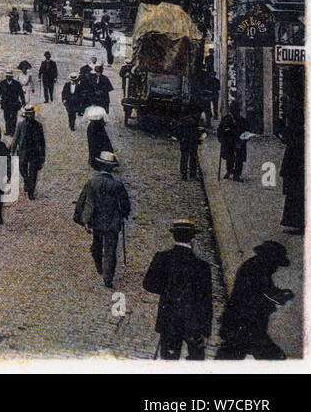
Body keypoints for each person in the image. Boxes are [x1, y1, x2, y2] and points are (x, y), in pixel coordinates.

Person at [142, 220, 213, 360]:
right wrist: (206, 332)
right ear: (193, 239)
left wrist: (167, 289)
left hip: (169, 320)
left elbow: (148, 284)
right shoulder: (202, 266)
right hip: (194, 324)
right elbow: (206, 302)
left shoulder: (162, 258)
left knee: (169, 361)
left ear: (174, 237)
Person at [215, 241, 294, 360]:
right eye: (276, 263)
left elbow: (265, 289)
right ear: (270, 260)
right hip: (244, 325)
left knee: (229, 356)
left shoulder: (253, 265)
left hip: (240, 324)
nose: (276, 268)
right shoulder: (258, 269)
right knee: (273, 357)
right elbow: (267, 292)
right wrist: (282, 296)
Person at [73, 151, 130, 289]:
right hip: (112, 222)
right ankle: (108, 278)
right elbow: (125, 204)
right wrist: (124, 214)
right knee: (111, 249)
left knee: (97, 245)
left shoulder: (92, 182)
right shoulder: (117, 184)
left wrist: (82, 219)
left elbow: (84, 200)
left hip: (96, 220)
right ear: (112, 168)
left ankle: (99, 266)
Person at [10, 104, 46, 199]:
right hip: (23, 151)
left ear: (34, 114)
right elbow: (16, 138)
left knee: (33, 172)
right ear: (25, 115)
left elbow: (42, 142)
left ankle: (31, 192)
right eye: (28, 114)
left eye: (32, 114)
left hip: (34, 152)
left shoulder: (38, 126)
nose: (30, 116)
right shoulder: (21, 125)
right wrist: (12, 150)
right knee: (22, 169)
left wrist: (42, 156)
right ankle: (26, 180)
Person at [217, 97, 250, 181]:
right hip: (228, 142)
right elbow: (220, 131)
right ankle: (229, 171)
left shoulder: (242, 121)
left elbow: (247, 132)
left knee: (239, 158)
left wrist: (244, 139)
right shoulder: (226, 120)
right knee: (229, 157)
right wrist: (222, 140)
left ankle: (237, 175)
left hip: (239, 142)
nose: (235, 114)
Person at [280, 122, 304, 233]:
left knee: (295, 197)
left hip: (295, 172)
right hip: (296, 171)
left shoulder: (294, 143)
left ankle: (298, 223)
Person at [176, 116, 204, 181]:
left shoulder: (183, 120)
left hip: (187, 139)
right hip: (191, 139)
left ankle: (185, 174)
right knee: (191, 157)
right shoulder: (195, 120)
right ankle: (191, 174)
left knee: (186, 157)